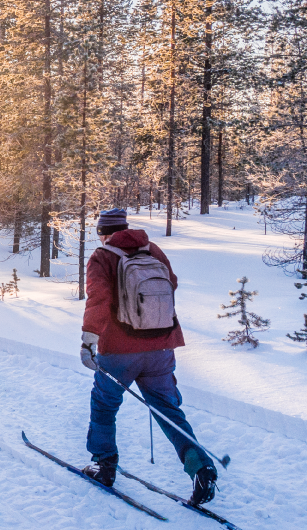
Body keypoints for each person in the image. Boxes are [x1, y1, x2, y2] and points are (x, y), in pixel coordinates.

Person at [78, 208, 217, 506]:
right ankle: (200, 468)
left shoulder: (102, 256)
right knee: (168, 410)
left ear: (103, 233)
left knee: (104, 405)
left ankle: (104, 465)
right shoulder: (153, 250)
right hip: (161, 346)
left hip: (118, 350)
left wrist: (89, 339)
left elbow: (98, 298)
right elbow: (171, 284)